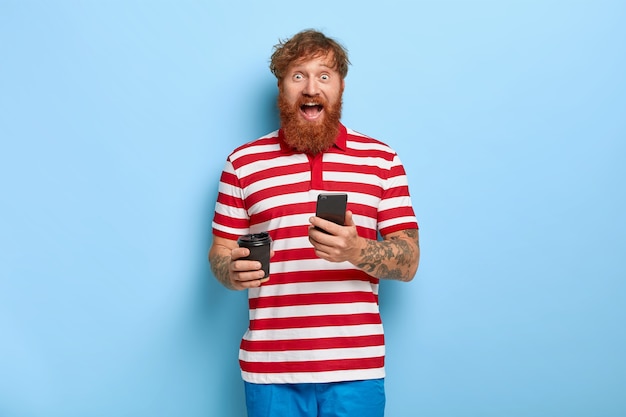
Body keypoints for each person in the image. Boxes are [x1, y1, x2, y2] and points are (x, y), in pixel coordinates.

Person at [209, 29, 420, 417]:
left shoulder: (382, 160)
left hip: (356, 369)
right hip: (270, 370)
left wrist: (357, 249)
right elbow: (220, 254)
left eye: (324, 75)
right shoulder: (243, 163)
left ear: (340, 86)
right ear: (282, 87)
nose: (311, 87)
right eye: (298, 75)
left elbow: (408, 261)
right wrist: (231, 271)